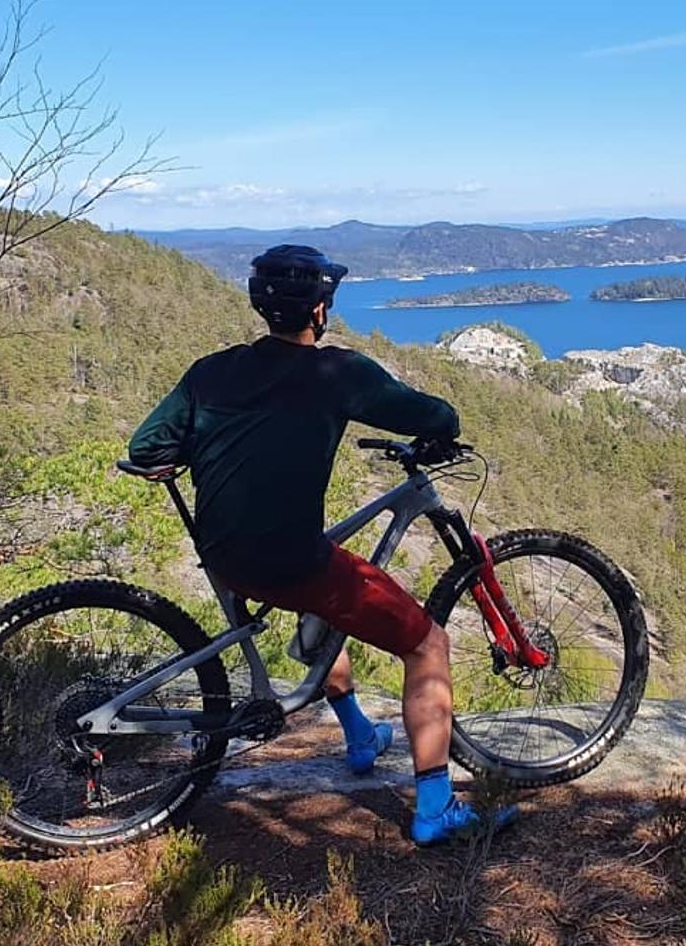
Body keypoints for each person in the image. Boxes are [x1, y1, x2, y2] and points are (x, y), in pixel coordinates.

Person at [127, 244, 515, 846]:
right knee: (427, 644)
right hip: (288, 563)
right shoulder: (339, 374)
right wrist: (442, 428)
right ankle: (436, 808)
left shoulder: (211, 370)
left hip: (226, 556)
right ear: (319, 311)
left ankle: (360, 737)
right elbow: (434, 415)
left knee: (327, 594)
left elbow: (147, 446)